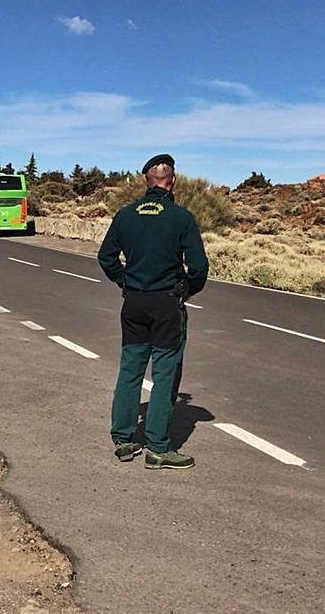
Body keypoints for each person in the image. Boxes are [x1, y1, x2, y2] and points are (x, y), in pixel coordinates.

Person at [97, 154, 209, 469]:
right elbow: (198, 266)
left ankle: (123, 439)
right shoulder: (181, 217)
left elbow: (106, 257)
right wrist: (187, 290)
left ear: (146, 180)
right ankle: (158, 448)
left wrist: (124, 280)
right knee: (165, 373)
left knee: (130, 369)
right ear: (172, 180)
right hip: (165, 303)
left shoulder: (125, 215)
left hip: (133, 302)